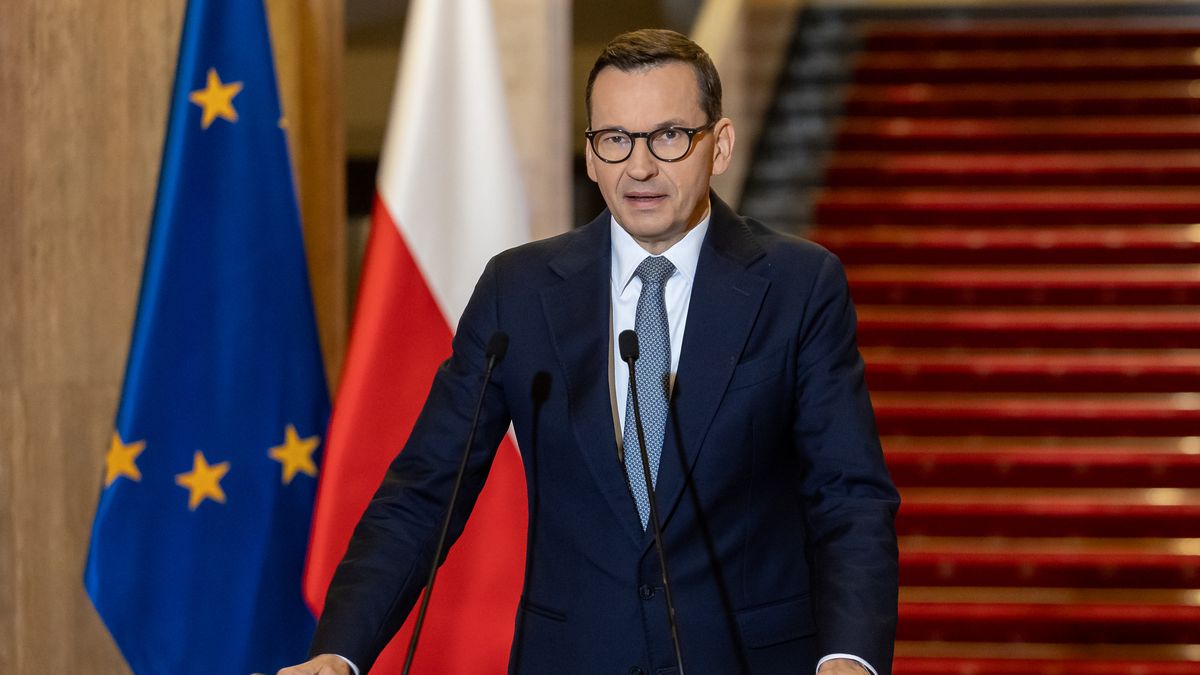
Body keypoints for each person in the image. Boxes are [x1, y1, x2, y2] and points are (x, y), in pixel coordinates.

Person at [282, 28, 899, 675]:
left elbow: (849, 496)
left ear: (718, 146)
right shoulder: (518, 292)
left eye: (668, 136)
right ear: (590, 154)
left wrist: (849, 655)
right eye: (615, 139)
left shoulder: (799, 286)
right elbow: (424, 492)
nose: (639, 167)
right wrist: (339, 652)